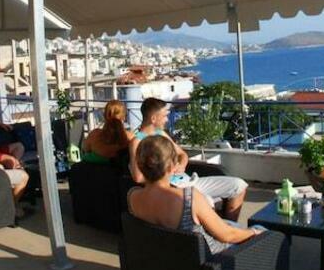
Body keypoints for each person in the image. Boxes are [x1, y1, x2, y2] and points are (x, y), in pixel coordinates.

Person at [126, 136, 261, 254]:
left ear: (140, 165)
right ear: (171, 167)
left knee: (231, 225)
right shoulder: (189, 198)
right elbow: (227, 235)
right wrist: (254, 232)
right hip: (212, 260)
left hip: (169, 259)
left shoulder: (132, 196)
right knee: (261, 230)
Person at [127, 97, 248, 222]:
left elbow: (182, 154)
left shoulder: (161, 134)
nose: (167, 120)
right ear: (153, 118)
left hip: (189, 180)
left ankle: (229, 226)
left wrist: (182, 165)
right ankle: (220, 231)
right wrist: (166, 173)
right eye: (164, 116)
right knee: (206, 202)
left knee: (238, 185)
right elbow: (138, 177)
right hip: (173, 187)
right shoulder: (137, 142)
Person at [81, 99, 134, 164]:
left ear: (105, 115)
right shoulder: (130, 136)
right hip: (119, 169)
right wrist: (141, 131)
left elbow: (85, 149)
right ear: (123, 117)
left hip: (96, 169)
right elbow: (142, 137)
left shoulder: (94, 134)